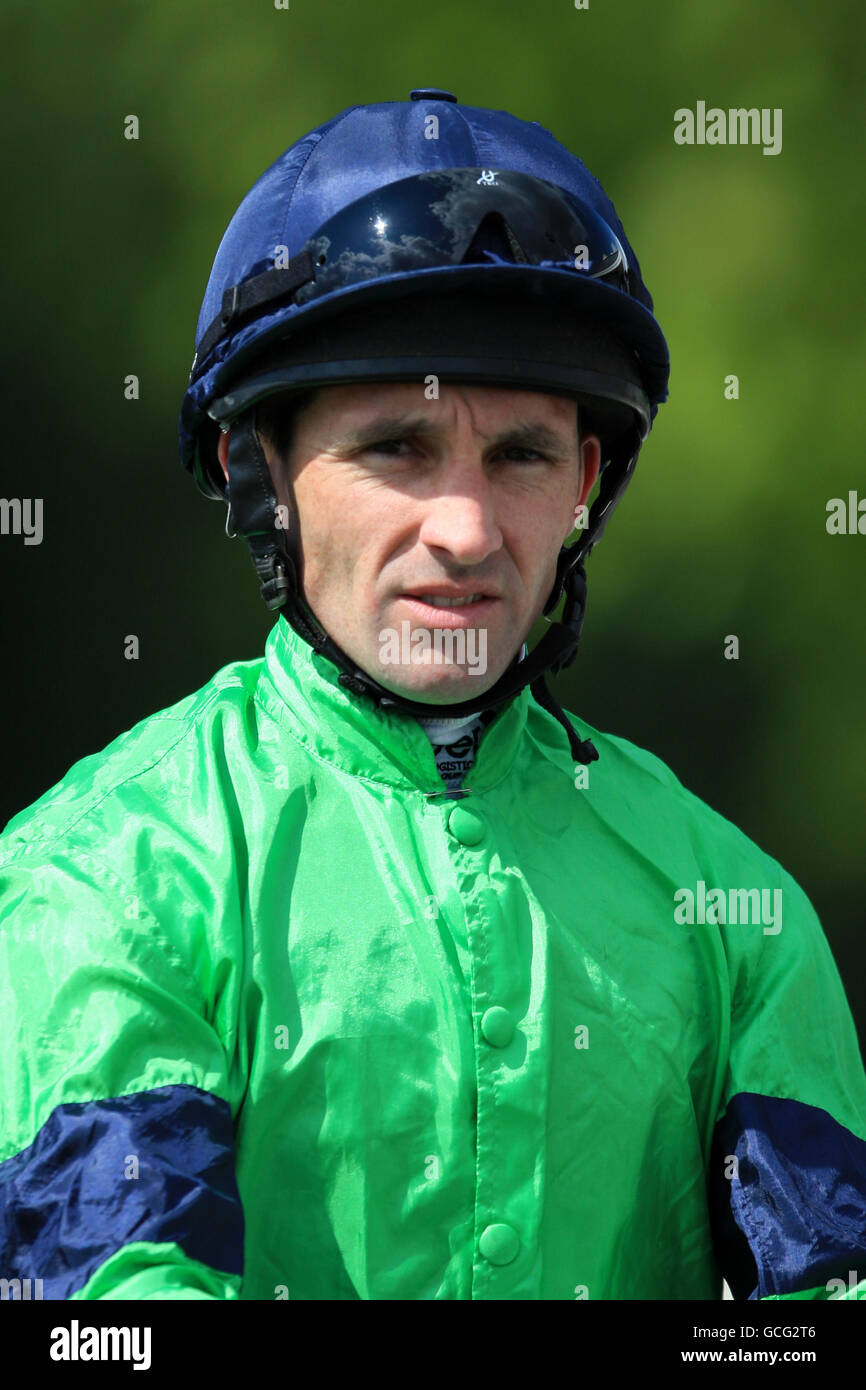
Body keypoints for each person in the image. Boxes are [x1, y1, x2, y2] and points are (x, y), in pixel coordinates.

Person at [1, 89, 865, 1303]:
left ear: (585, 484)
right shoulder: (102, 873)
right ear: (258, 469)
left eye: (519, 455)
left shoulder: (734, 910)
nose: (463, 529)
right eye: (397, 446)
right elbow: (113, 1315)